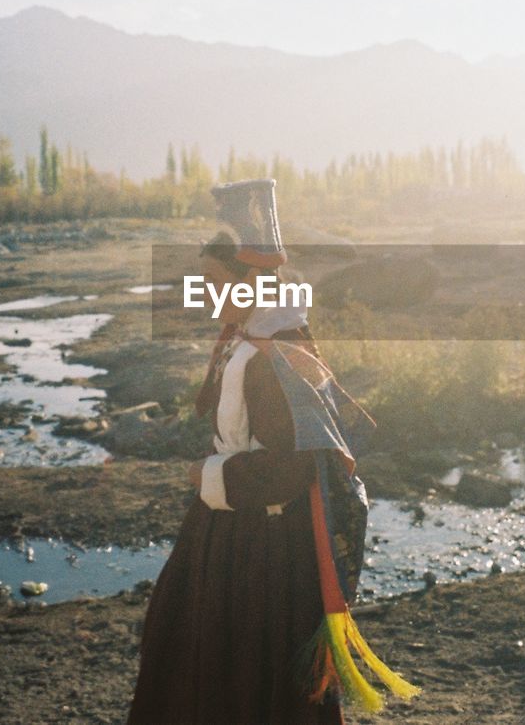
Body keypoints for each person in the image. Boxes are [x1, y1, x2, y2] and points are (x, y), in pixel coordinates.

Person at [127, 180, 416, 724]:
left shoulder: (272, 357)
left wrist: (209, 474)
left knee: (238, 670)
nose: (206, 294)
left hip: (261, 549)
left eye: (213, 283)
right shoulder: (255, 339)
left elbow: (290, 468)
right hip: (240, 535)